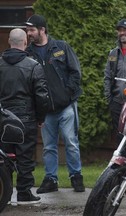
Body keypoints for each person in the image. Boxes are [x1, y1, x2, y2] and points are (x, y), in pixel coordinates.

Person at [25, 14, 85, 193]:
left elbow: (76, 72)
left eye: (32, 30)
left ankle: (76, 177)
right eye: (28, 30)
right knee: (48, 147)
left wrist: (67, 94)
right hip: (45, 112)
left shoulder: (61, 47)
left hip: (66, 106)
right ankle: (51, 180)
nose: (29, 33)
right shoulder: (29, 54)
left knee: (71, 142)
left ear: (42, 30)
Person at [0, 28, 49, 204]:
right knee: (25, 156)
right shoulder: (33, 66)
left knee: (3, 156)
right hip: (25, 117)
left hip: (3, 117)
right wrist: (41, 118)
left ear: (9, 42)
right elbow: (41, 96)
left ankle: (3, 193)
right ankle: (24, 193)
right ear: (25, 43)